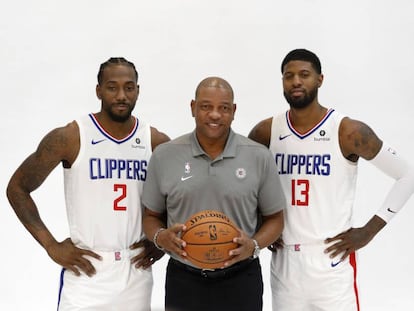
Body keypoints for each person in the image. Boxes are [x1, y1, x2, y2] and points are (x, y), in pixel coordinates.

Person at [248, 48, 414, 311]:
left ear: (320, 79)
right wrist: (260, 224)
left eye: (304, 74)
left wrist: (368, 231)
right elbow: (244, 183)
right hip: (285, 261)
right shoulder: (266, 130)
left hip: (331, 258)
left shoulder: (347, 130)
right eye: (288, 76)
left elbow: (407, 175)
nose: (296, 81)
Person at [6, 57, 170, 311]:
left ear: (138, 90)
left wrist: (160, 240)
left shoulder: (154, 140)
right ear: (99, 90)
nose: (121, 95)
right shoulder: (71, 137)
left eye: (129, 87)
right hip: (86, 268)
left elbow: (180, 196)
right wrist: (50, 245)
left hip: (134, 270)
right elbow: (17, 187)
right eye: (112, 87)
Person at [141, 76, 285, 311]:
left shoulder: (258, 156)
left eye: (224, 108)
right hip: (183, 279)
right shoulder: (165, 156)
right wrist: (160, 237)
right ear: (193, 107)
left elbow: (276, 218)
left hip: (241, 278)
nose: (215, 115)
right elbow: (150, 216)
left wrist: (254, 245)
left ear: (234, 111)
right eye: (206, 106)